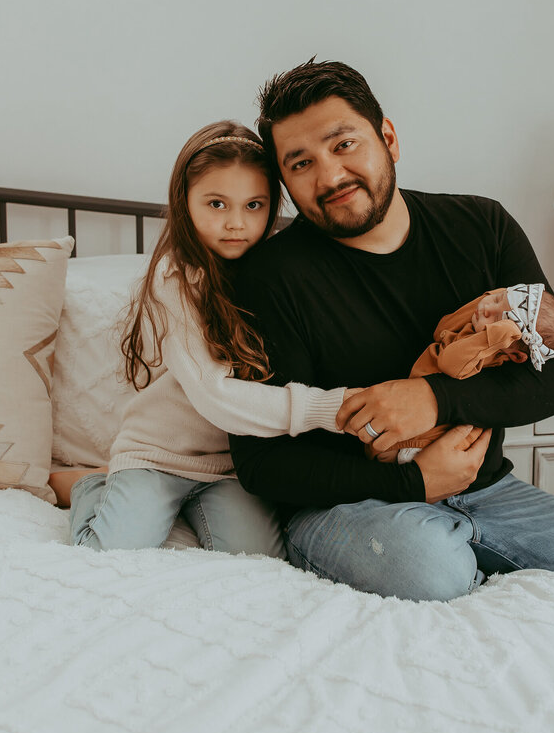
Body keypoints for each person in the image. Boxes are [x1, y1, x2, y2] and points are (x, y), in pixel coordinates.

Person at [227, 60, 554, 637]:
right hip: (348, 506)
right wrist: (413, 485)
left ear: (388, 138)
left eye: (345, 144)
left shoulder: (481, 227)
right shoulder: (268, 277)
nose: (330, 175)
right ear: (285, 183)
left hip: (489, 491)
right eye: (301, 163)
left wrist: (434, 401)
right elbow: (260, 463)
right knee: (434, 571)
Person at [68, 120, 347, 556]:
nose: (236, 223)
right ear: (185, 203)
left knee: (258, 559)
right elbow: (214, 395)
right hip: (159, 454)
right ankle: (89, 484)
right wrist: (331, 408)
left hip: (232, 467)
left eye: (254, 205)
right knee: (109, 553)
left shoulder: (276, 273)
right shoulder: (175, 278)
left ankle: (170, 506)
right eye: (216, 204)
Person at [385, 283, 554, 464]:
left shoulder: (486, 353)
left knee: (385, 451)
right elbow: (443, 327)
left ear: (514, 354)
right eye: (496, 298)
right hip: (411, 411)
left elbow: (447, 362)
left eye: (497, 319)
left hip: (426, 440)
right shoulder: (475, 327)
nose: (487, 308)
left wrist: (494, 336)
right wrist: (501, 297)